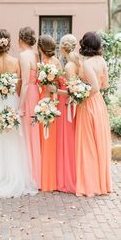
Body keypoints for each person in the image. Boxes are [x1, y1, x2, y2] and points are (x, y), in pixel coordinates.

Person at [0, 29, 37, 198]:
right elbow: (19, 85)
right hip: (12, 100)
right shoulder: (15, 61)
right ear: (9, 43)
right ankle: (14, 176)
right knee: (13, 141)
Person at [75, 32, 112, 196]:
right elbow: (104, 86)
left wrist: (79, 94)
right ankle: (101, 183)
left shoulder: (88, 63)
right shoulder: (102, 61)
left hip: (88, 104)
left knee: (88, 144)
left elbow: (95, 87)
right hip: (99, 104)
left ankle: (89, 185)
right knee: (99, 143)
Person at [37, 35, 62, 192]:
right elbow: (59, 81)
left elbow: (42, 86)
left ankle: (44, 179)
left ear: (40, 49)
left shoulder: (43, 65)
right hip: (55, 101)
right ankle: (52, 179)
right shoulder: (58, 62)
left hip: (44, 101)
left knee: (43, 139)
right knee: (52, 140)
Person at [18, 27, 41, 189]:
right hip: (36, 94)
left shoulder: (23, 56)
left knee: (27, 132)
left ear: (21, 40)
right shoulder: (36, 55)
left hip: (28, 95)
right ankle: (36, 172)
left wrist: (20, 105)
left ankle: (29, 173)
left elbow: (25, 82)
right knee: (34, 132)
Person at [56, 34, 79, 193]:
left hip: (67, 107)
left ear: (63, 47)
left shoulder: (70, 66)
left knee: (67, 141)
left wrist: (55, 90)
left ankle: (68, 179)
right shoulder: (74, 62)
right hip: (67, 106)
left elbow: (72, 92)